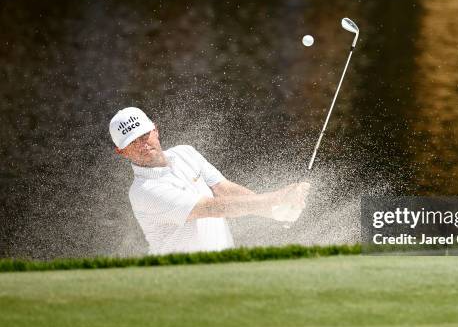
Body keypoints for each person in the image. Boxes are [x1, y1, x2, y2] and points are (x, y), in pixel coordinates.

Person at [109, 107, 310, 255]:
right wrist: (277, 198)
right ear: (121, 152)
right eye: (132, 142)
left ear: (155, 129)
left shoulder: (185, 153)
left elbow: (225, 190)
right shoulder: (144, 192)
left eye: (144, 135)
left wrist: (275, 211)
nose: (142, 145)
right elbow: (212, 208)